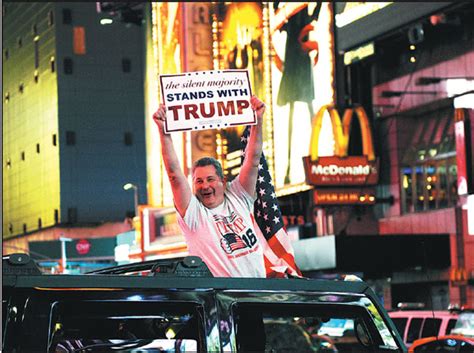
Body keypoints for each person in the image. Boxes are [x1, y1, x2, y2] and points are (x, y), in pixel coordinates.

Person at [153, 96, 267, 277]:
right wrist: (163, 130)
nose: (205, 185)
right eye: (198, 181)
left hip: (259, 296)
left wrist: (258, 119)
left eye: (210, 179)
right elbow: (174, 174)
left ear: (223, 181)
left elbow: (253, 159)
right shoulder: (193, 214)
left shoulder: (238, 195)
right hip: (221, 300)